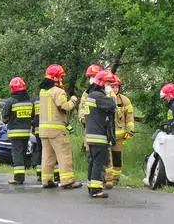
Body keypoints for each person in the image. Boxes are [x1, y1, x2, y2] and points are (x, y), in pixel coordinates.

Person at [39, 64, 82, 189]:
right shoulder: (58, 91)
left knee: (47, 156)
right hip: (57, 130)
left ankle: (46, 180)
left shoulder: (43, 91)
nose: (62, 80)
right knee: (64, 155)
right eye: (61, 77)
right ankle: (67, 180)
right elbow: (65, 107)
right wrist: (73, 100)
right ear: (56, 78)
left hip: (44, 131)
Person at [84, 70, 116, 198]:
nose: (110, 86)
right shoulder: (98, 96)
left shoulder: (91, 95)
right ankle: (96, 190)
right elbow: (112, 105)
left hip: (91, 135)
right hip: (99, 136)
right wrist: (110, 93)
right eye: (108, 83)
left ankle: (91, 186)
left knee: (93, 162)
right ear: (102, 83)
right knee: (99, 162)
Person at [1, 77, 34, 184]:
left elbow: (4, 118)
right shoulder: (29, 101)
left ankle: (18, 178)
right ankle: (22, 175)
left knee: (17, 155)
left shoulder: (10, 101)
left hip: (15, 133)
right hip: (26, 132)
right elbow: (32, 116)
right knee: (23, 154)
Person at [109, 75, 135, 185]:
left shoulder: (125, 100)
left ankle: (115, 178)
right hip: (105, 135)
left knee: (117, 157)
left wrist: (130, 131)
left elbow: (129, 117)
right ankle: (107, 178)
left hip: (119, 136)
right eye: (111, 86)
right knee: (106, 158)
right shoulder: (104, 98)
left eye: (116, 86)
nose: (114, 89)